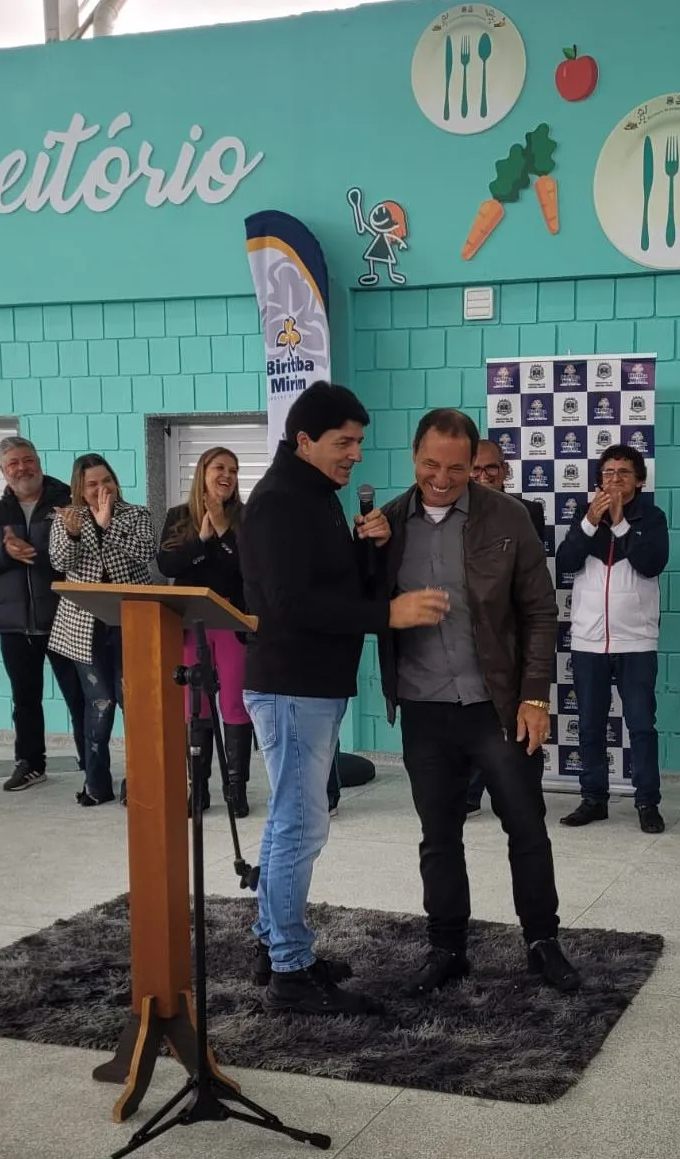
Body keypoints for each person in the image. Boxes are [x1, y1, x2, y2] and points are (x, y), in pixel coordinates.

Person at [240, 381, 449, 1016]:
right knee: (301, 824)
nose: (356, 454)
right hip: (292, 684)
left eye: (358, 441)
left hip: (310, 683)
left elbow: (323, 586)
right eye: (344, 442)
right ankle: (290, 972)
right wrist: (388, 613)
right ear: (304, 440)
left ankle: (274, 943)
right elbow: (289, 604)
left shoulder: (314, 495)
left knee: (288, 819)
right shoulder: (280, 502)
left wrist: (367, 549)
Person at [379, 408, 580, 996]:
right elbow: (360, 603)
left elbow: (539, 611)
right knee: (439, 835)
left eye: (456, 468)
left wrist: (535, 696)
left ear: (475, 463)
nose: (442, 479)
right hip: (423, 707)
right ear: (414, 456)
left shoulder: (507, 516)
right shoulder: (388, 524)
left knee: (526, 827)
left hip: (499, 706)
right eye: (430, 465)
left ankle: (542, 941)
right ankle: (446, 947)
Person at [555, 445, 669, 833]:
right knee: (589, 725)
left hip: (636, 642)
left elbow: (650, 563)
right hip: (589, 642)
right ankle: (593, 799)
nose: (614, 479)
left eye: (623, 473)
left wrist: (620, 522)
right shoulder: (585, 516)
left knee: (641, 726)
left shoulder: (652, 517)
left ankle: (647, 802)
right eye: (608, 473)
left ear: (639, 481)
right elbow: (566, 562)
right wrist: (591, 521)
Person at [0, 437, 87, 795]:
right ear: (3, 470)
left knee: (79, 697)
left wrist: (44, 547)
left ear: (38, 461)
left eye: (27, 460)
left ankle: (92, 765)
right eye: (13, 463)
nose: (22, 468)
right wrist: (4, 552)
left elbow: (84, 552)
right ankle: (31, 763)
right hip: (15, 624)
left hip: (66, 618)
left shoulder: (69, 502)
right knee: (25, 700)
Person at [48, 454, 155, 807]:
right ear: (80, 488)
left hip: (130, 621)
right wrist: (74, 533)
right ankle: (96, 783)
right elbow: (59, 562)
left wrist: (109, 525)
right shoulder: (67, 518)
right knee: (100, 702)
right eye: (92, 484)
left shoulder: (135, 514)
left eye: (106, 480)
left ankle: (138, 782)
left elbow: (146, 553)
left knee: (132, 701)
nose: (101, 489)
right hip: (84, 625)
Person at [156, 446, 253, 817]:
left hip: (230, 621)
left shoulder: (245, 517)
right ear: (203, 472)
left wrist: (224, 530)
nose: (227, 475)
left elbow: (249, 568)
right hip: (191, 623)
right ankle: (198, 789)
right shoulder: (178, 516)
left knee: (233, 703)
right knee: (194, 706)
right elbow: (167, 564)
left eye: (233, 469)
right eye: (219, 468)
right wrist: (200, 541)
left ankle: (236, 790)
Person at [464, 435, 547, 815]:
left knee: (516, 720)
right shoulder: (452, 513)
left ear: (505, 471)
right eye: (475, 470)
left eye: (491, 469)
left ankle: (517, 794)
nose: (483, 477)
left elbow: (529, 583)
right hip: (469, 636)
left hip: (512, 637)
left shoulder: (526, 511)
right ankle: (469, 792)